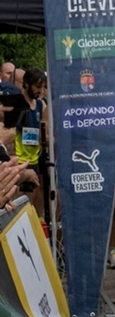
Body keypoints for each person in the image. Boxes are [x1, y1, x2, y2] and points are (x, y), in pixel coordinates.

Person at [14, 69, 47, 218]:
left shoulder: (40, 105)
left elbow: (45, 129)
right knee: (21, 200)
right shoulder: (16, 103)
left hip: (35, 159)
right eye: (37, 87)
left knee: (35, 196)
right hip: (19, 160)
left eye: (42, 87)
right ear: (26, 84)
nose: (40, 91)